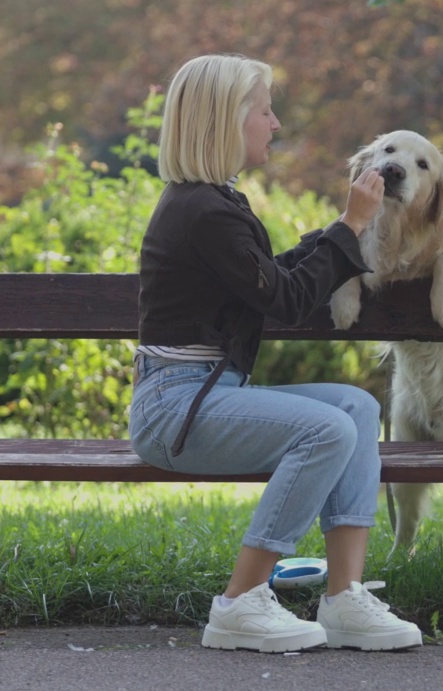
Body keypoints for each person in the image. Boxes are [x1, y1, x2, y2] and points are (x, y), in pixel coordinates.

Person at [128, 53, 422, 653]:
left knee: (358, 409)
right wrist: (348, 227)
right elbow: (286, 301)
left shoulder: (212, 204)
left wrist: (344, 230)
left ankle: (344, 598)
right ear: (226, 121)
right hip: (174, 409)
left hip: (206, 396)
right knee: (326, 431)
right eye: (265, 110)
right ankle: (240, 603)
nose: (276, 123)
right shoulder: (201, 211)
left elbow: (268, 282)